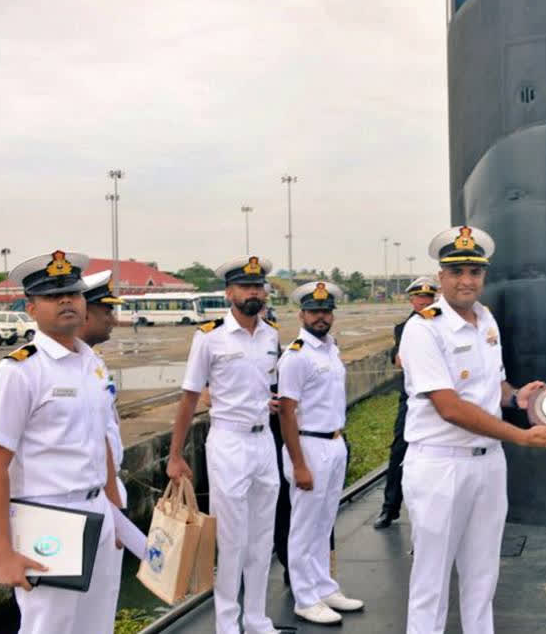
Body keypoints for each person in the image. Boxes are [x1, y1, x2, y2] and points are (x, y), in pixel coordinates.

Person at [399, 225, 546, 634]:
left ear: (483, 276)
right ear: (440, 277)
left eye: (474, 272)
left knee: (482, 574)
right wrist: (520, 436)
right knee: (431, 581)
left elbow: (493, 385)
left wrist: (516, 398)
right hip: (441, 466)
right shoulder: (423, 329)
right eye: (456, 272)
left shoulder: (485, 320)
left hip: (488, 464)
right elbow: (450, 407)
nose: (466, 280)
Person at [0, 251, 124, 634]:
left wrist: (115, 507)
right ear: (31, 308)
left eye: (73, 294)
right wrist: (4, 552)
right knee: (50, 627)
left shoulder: (92, 363)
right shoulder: (19, 372)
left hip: (98, 512)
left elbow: (102, 439)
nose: (66, 301)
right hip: (48, 519)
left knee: (98, 624)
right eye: (52, 296)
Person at [167, 256, 283, 634]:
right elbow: (188, 398)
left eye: (258, 286)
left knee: (262, 537)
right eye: (246, 287)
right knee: (232, 539)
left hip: (263, 439)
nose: (254, 293)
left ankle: (256, 616)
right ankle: (227, 621)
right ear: (229, 293)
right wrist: (175, 454)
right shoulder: (209, 336)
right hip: (228, 442)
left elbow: (263, 385)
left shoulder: (271, 335)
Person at [275, 281, 365, 624]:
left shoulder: (331, 349)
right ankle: (304, 596)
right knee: (303, 526)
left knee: (324, 521)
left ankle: (324, 587)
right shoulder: (297, 356)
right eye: (314, 311)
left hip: (334, 442)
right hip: (308, 445)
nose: (321, 317)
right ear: (301, 314)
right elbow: (286, 411)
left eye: (326, 311)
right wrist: (298, 463)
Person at [373, 276, 439, 530]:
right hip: (413, 397)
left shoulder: (443, 323)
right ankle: (390, 508)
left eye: (428, 298)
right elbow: (399, 358)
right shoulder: (404, 328)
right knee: (399, 449)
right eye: (419, 298)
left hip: (442, 396)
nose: (424, 302)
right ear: (411, 300)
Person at [78, 270, 129, 509]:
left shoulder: (94, 362)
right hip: (78, 494)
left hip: (107, 486)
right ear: (84, 313)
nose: (114, 320)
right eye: (107, 311)